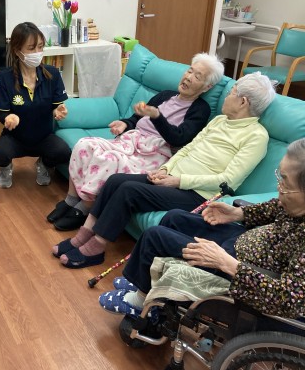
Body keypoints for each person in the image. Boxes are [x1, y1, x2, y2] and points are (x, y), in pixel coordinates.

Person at [52, 72, 276, 268]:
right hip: (173, 178)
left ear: (243, 102)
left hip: (198, 194)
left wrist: (178, 180)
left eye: (231, 93)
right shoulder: (219, 121)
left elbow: (228, 181)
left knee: (129, 190)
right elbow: (188, 148)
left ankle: (96, 248)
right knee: (116, 180)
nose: (226, 96)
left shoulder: (256, 137)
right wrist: (165, 169)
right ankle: (82, 236)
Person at [99, 136, 305, 320]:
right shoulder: (303, 203)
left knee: (155, 236)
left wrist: (226, 264)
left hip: (243, 270)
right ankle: (144, 282)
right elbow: (275, 207)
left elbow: (294, 299)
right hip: (246, 243)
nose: (279, 189)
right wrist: (238, 213)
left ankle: (141, 303)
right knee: (174, 217)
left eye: (286, 184)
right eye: (280, 177)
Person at [47, 52, 225, 231]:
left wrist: (157, 116)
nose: (188, 77)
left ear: (207, 86)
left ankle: (85, 208)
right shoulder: (165, 95)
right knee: (84, 144)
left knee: (109, 160)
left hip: (154, 153)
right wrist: (125, 123)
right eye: (190, 71)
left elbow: (179, 137)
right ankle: (70, 200)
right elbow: (137, 118)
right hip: (131, 139)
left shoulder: (200, 109)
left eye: (197, 76)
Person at [0, 22, 71, 188]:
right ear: (17, 50)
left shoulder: (52, 74)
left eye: (40, 47)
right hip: (15, 139)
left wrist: (58, 110)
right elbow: (3, 114)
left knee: (63, 152)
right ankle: (5, 168)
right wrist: (9, 118)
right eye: (31, 48)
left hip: (43, 137)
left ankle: (44, 164)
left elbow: (56, 106)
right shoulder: (4, 78)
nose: (37, 53)